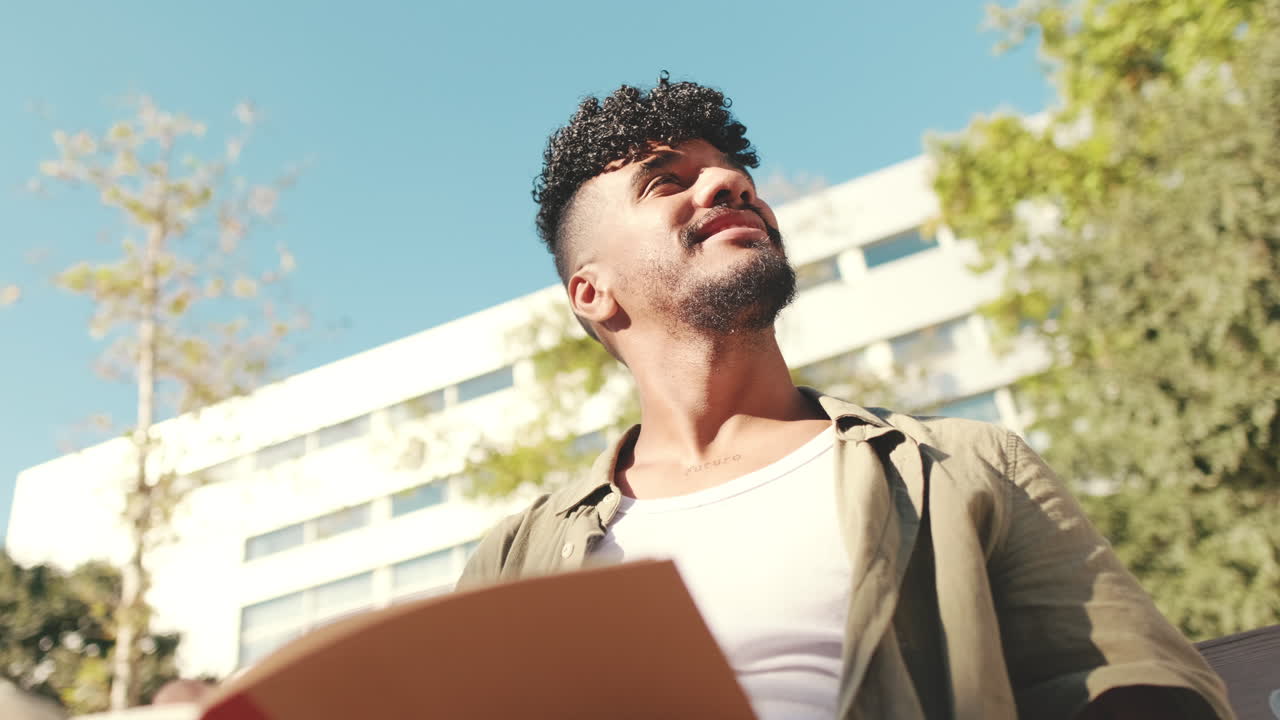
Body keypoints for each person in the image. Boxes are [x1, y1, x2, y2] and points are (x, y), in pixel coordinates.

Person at [456, 75, 1234, 720]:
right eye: (667, 181)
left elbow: (1140, 687)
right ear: (592, 292)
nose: (731, 184)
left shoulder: (962, 466)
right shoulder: (514, 558)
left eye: (735, 177)